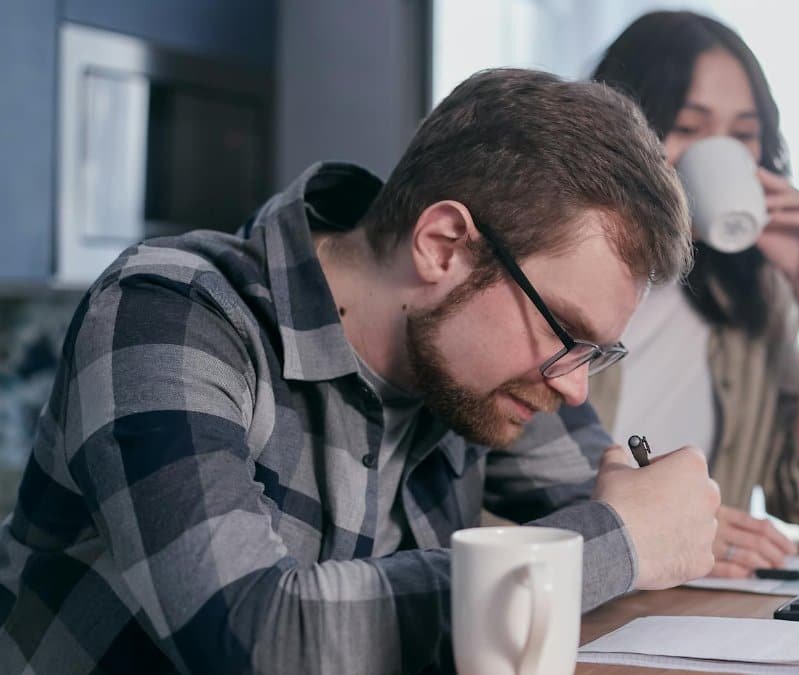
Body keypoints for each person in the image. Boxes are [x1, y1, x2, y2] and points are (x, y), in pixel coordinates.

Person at [0, 68, 720, 673]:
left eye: (597, 351)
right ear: (443, 245)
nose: (574, 386)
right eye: (568, 333)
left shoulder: (474, 363)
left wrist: (659, 519)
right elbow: (249, 634)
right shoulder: (168, 311)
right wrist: (622, 539)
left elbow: (612, 503)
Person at [591, 11, 799, 577]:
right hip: (583, 604)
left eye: (741, 135)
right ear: (622, 132)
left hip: (702, 609)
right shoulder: (562, 283)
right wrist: (649, 540)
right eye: (687, 127)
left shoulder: (751, 296)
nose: (718, 155)